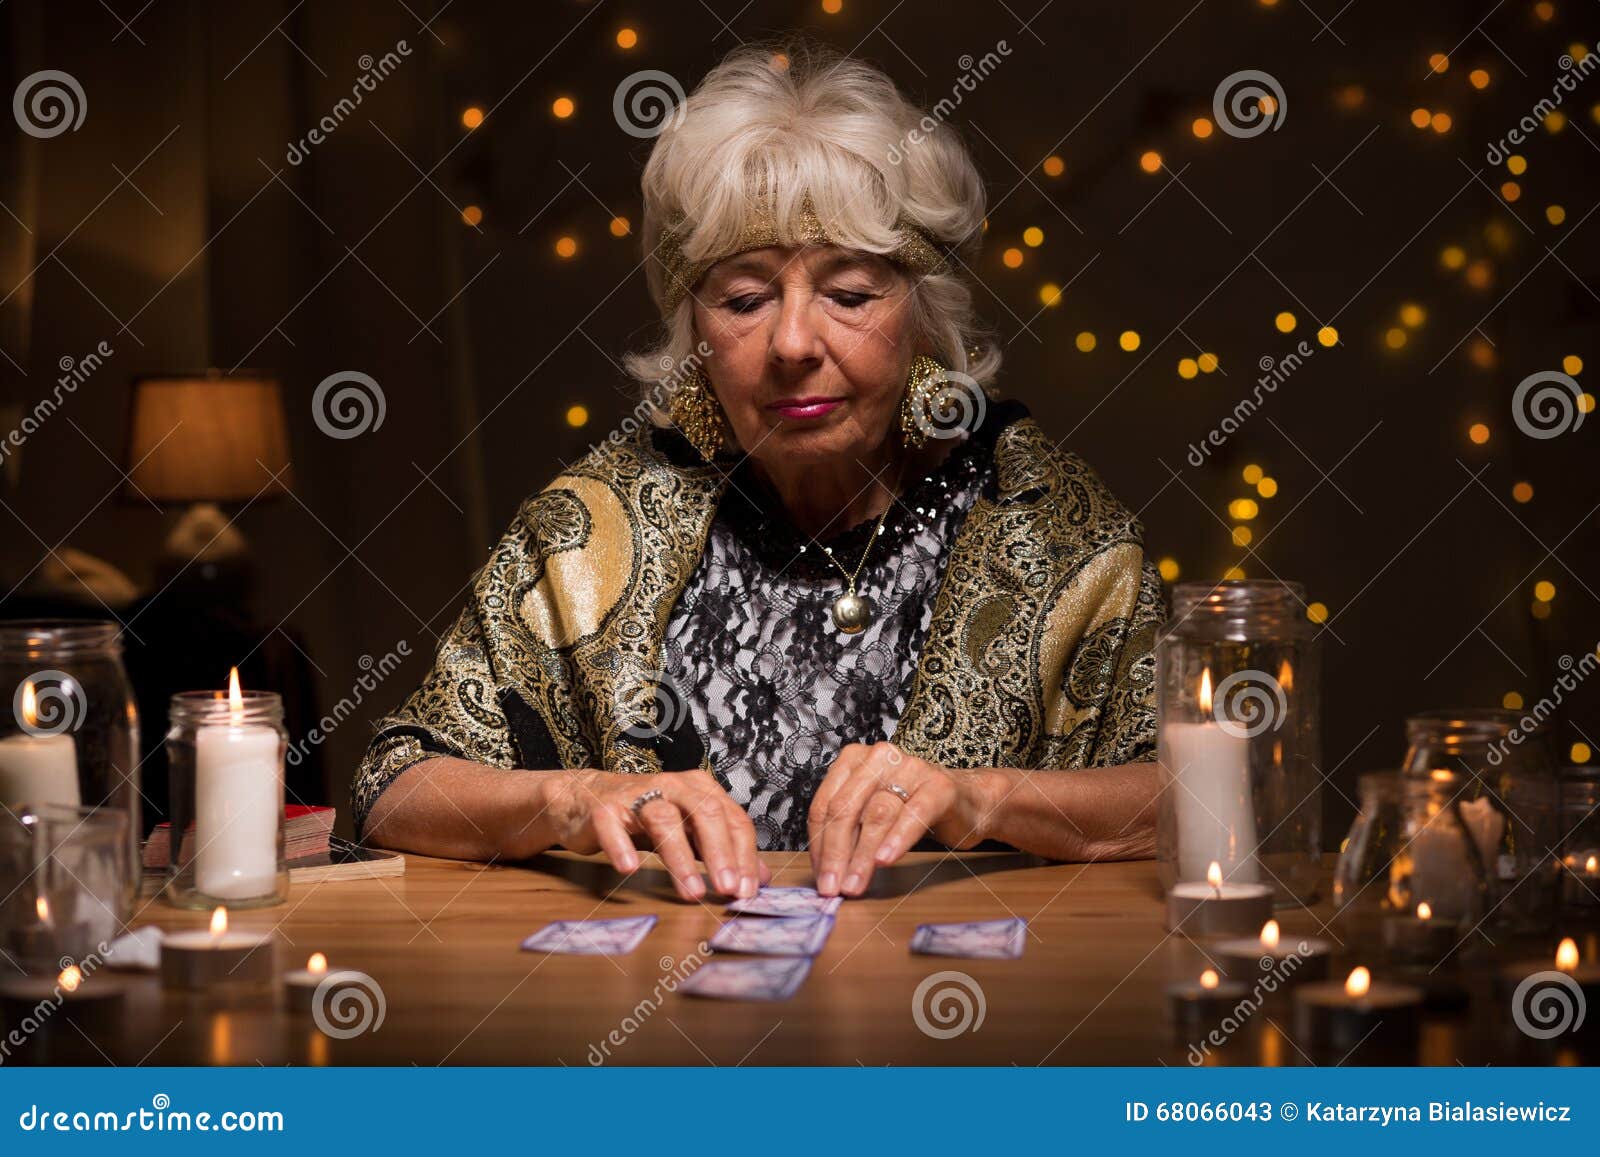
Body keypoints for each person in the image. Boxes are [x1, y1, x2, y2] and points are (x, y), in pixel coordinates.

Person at [353, 41, 1165, 903]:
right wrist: (573, 797)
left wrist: (985, 798)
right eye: (744, 300)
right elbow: (393, 788)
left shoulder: (1051, 524)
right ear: (694, 335)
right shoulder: (591, 524)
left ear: (925, 318)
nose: (790, 344)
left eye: (849, 294)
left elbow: (1209, 796)